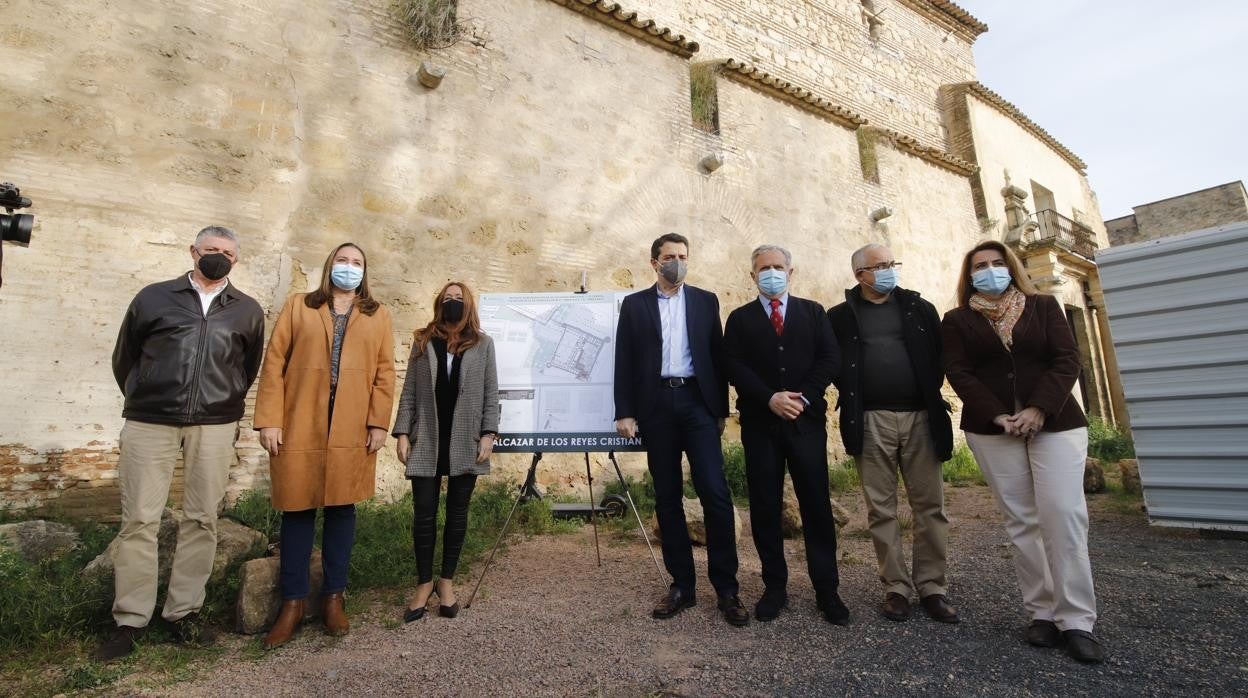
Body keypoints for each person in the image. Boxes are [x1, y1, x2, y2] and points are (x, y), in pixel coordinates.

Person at [99, 225, 265, 661]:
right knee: (139, 519)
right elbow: (125, 358)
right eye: (210, 249)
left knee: (202, 519)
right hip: (150, 421)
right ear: (193, 251)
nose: (218, 257)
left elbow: (247, 368)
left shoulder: (247, 310)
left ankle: (183, 613)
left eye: (227, 252)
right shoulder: (153, 297)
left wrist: (221, 403)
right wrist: (147, 393)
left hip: (213, 425)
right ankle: (130, 619)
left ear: (236, 260)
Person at [941, 240, 1104, 663]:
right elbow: (959, 372)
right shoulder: (957, 319)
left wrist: (1037, 408)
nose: (989, 270)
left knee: (1063, 516)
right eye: (980, 266)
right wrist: (997, 414)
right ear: (969, 274)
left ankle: (1078, 620)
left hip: (1055, 422)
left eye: (997, 263)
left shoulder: (1043, 307)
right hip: (993, 429)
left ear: (1011, 267)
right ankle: (1042, 614)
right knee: (1022, 522)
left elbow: (1067, 359)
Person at [253, 242, 396, 650]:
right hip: (301, 420)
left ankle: (334, 596)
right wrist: (270, 420)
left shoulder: (377, 314)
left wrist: (377, 423)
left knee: (341, 508)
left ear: (364, 271)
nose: (348, 267)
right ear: (329, 265)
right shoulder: (300, 306)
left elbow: (385, 373)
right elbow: (275, 360)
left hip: (351, 424)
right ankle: (293, 603)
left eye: (356, 263)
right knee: (297, 508)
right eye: (342, 260)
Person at [614, 233, 748, 627]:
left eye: (683, 256)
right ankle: (682, 586)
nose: (677, 262)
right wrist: (625, 411)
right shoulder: (635, 305)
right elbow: (624, 360)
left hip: (697, 403)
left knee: (715, 493)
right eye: (669, 256)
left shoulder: (706, 301)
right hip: (656, 406)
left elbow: (716, 356)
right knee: (667, 496)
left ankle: (727, 588)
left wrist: (719, 410)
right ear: (654, 262)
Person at [827, 243, 959, 624]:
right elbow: (835, 363)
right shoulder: (840, 317)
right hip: (870, 420)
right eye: (877, 266)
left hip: (920, 416)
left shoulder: (920, 308)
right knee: (880, 509)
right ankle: (896, 587)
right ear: (860, 275)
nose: (886, 270)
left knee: (930, 507)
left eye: (890, 263)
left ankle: (933, 587)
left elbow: (938, 358)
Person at [723, 244, 850, 625]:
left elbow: (830, 358)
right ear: (752, 276)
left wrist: (803, 398)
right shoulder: (740, 318)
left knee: (816, 505)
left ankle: (827, 590)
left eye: (779, 267)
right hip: (761, 426)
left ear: (791, 273)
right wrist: (769, 398)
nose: (772, 273)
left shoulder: (813, 312)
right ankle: (774, 586)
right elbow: (732, 364)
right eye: (764, 268)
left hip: (806, 423)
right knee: (764, 505)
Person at [393, 281, 499, 621]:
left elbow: (490, 392)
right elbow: (409, 389)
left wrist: (488, 433)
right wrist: (402, 432)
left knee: (457, 514)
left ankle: (447, 582)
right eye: (447, 298)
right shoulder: (424, 341)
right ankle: (423, 584)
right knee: (423, 515)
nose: (453, 302)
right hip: (427, 437)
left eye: (459, 299)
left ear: (467, 305)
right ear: (440, 303)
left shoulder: (483, 344)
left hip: (466, 439)